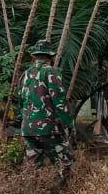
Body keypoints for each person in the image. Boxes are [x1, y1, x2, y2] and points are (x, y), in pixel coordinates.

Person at [17, 40, 74, 174]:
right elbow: (59, 102)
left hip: (28, 129)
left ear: (34, 57)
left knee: (32, 167)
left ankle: (33, 193)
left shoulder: (25, 74)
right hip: (49, 129)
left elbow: (20, 100)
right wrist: (69, 124)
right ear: (51, 57)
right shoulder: (51, 72)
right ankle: (61, 193)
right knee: (65, 165)